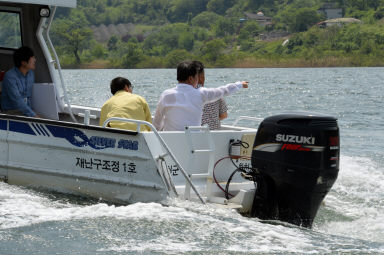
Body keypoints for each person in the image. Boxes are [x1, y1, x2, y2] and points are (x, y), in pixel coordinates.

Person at [153, 61, 248, 131]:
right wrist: (239, 84)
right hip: (194, 144)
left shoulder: (166, 95)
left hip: (171, 143)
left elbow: (157, 123)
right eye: (197, 78)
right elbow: (223, 90)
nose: (198, 81)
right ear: (191, 79)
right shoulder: (201, 94)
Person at [1, 46, 38, 117]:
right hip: (11, 112)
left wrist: (32, 112)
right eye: (32, 58)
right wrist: (34, 116)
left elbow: (28, 97)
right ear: (24, 62)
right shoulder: (10, 77)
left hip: (25, 110)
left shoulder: (31, 74)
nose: (35, 60)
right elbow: (17, 100)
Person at [193, 61, 228, 130]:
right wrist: (211, 121)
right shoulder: (215, 94)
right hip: (215, 136)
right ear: (202, 78)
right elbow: (224, 115)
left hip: (195, 135)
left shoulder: (186, 95)